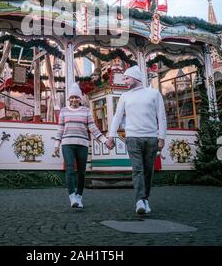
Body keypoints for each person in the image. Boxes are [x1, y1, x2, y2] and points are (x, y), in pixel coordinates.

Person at [106, 65, 167, 215]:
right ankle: (139, 200)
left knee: (148, 171)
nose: (125, 81)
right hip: (132, 137)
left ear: (136, 77)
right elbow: (117, 117)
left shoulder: (153, 94)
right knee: (138, 169)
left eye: (127, 78)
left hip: (151, 137)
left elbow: (162, 116)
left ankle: (145, 199)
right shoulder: (125, 96)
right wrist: (111, 136)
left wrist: (162, 137)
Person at [54, 82, 108, 208]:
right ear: (69, 99)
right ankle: (72, 196)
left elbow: (92, 128)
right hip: (67, 144)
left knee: (82, 172)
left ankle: (79, 196)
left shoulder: (86, 111)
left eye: (76, 97)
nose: (74, 99)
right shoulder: (64, 111)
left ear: (80, 98)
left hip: (82, 144)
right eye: (72, 97)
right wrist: (57, 144)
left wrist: (104, 140)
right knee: (70, 169)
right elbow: (60, 128)